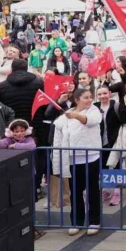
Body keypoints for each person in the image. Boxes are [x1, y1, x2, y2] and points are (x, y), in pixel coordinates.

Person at [53, 87, 103, 236]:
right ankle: (77, 221)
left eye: (90, 97)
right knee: (75, 192)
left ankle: (94, 221)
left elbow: (89, 121)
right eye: (85, 98)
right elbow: (55, 123)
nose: (89, 100)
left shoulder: (94, 111)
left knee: (93, 191)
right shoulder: (66, 114)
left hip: (91, 157)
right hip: (73, 159)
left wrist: (75, 115)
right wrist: (60, 105)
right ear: (76, 100)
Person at [0, 58, 44, 123]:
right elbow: (44, 104)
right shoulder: (39, 83)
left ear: (12, 68)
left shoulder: (2, 86)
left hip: (12, 124)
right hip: (35, 121)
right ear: (27, 68)